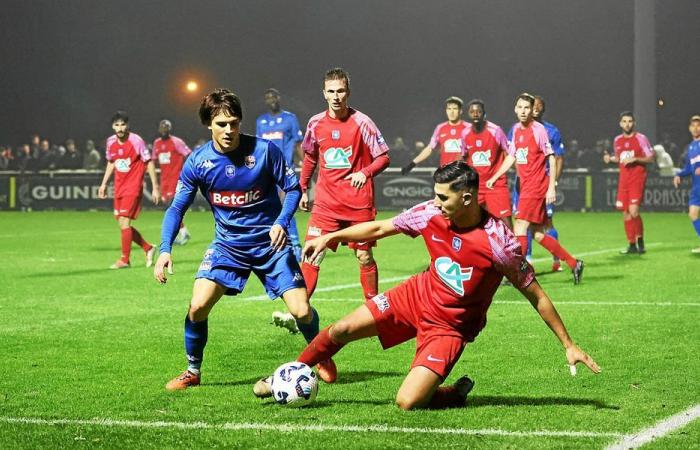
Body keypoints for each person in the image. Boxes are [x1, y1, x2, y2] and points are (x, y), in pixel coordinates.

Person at [254, 162, 600, 409]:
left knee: (408, 401)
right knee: (341, 329)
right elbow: (379, 228)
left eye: (443, 197)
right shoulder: (429, 213)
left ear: (467, 198)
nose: (436, 202)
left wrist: (568, 344)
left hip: (450, 327)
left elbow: (536, 294)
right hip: (415, 296)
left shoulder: (500, 243)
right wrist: (332, 235)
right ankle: (284, 377)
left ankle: (452, 393)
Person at [154, 88, 333, 390]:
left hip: (270, 245)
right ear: (208, 124)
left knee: (301, 310)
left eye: (234, 123)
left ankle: (321, 353)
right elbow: (176, 208)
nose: (229, 130)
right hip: (228, 247)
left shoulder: (264, 151)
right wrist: (164, 249)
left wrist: (280, 221)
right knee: (197, 307)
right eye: (221, 124)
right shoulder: (198, 162)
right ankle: (193, 371)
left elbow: (292, 189)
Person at [297, 68, 390, 304]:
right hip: (326, 204)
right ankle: (299, 311)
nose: (336, 96)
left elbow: (384, 157)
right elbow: (310, 157)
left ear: (348, 92)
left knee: (363, 256)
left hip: (358, 203)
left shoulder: (362, 122)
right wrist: (303, 187)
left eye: (340, 91)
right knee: (311, 253)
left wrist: (365, 172)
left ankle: (373, 307)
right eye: (331, 91)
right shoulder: (315, 123)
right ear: (324, 94)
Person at [487, 93, 583, 283]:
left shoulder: (538, 130)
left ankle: (517, 272)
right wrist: (495, 176)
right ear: (515, 109)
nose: (523, 111)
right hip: (525, 187)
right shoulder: (515, 130)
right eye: (520, 107)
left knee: (520, 226)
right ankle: (574, 263)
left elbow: (552, 158)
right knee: (538, 234)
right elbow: (511, 157)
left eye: (526, 108)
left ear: (532, 110)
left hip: (536, 187)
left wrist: (551, 188)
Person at [98, 111, 159, 269]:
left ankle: (125, 260)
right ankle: (148, 248)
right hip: (119, 186)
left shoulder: (136, 141)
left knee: (125, 221)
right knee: (122, 223)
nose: (120, 128)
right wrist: (104, 184)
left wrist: (155, 187)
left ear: (128, 125)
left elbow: (149, 162)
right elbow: (111, 162)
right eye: (117, 125)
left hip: (133, 187)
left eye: (123, 124)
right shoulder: (110, 142)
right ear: (113, 126)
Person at [512, 96, 567, 270]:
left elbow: (556, 158)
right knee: (535, 230)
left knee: (531, 224)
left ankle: (550, 262)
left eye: (538, 106)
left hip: (539, 183)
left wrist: (553, 184)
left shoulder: (548, 130)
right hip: (523, 183)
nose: (534, 108)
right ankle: (571, 262)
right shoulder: (516, 129)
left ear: (542, 109)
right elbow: (513, 154)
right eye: (528, 106)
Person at [255, 88, 304, 260]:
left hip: (285, 169)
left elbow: (298, 143)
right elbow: (258, 147)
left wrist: (305, 164)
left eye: (273, 97)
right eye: (267, 98)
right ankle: (275, 243)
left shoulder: (290, 119)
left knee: (286, 207)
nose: (271, 100)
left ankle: (296, 244)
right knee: (268, 209)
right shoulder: (261, 122)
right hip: (267, 171)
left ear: (279, 98)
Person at [603, 111, 654, 254]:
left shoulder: (641, 138)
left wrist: (636, 159)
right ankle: (631, 245)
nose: (627, 124)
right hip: (623, 180)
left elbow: (650, 158)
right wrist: (610, 159)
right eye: (624, 121)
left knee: (634, 211)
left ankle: (640, 241)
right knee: (625, 213)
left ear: (634, 123)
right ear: (620, 124)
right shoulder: (617, 140)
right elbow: (621, 158)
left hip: (637, 179)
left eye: (630, 121)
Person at [460, 99, 512, 228]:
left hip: (496, 185)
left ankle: (514, 248)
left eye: (479, 111)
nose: (475, 114)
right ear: (468, 114)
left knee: (505, 223)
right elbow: (463, 157)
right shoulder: (465, 133)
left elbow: (510, 153)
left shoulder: (496, 131)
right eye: (472, 111)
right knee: (473, 224)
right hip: (476, 186)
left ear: (484, 114)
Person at [402, 97, 467, 174]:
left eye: (455, 109)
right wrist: (411, 165)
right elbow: (430, 148)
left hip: (464, 175)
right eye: (449, 109)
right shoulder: (440, 128)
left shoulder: (468, 128)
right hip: (445, 174)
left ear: (461, 111)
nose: (451, 112)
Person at [152, 119, 193, 245]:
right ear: (159, 129)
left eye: (167, 127)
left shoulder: (177, 142)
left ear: (170, 129)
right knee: (170, 208)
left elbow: (190, 154)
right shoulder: (157, 143)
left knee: (172, 207)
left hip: (176, 179)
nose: (164, 129)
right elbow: (153, 159)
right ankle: (180, 233)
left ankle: (182, 232)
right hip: (164, 180)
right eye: (162, 127)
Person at [673, 115, 700, 253]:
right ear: (689, 128)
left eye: (698, 125)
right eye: (693, 126)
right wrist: (679, 175)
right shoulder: (690, 147)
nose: (696, 128)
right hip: (697, 187)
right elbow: (689, 168)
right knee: (693, 214)